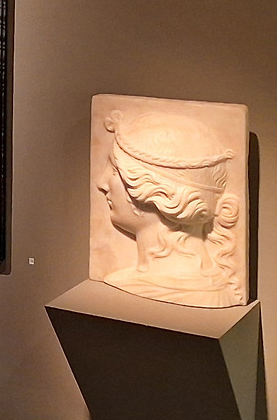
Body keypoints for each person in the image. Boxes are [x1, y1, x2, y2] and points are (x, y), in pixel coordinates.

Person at [95, 110, 243, 308]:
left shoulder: (200, 294)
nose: (101, 183)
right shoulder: (213, 286)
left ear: (159, 191)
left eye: (115, 170)